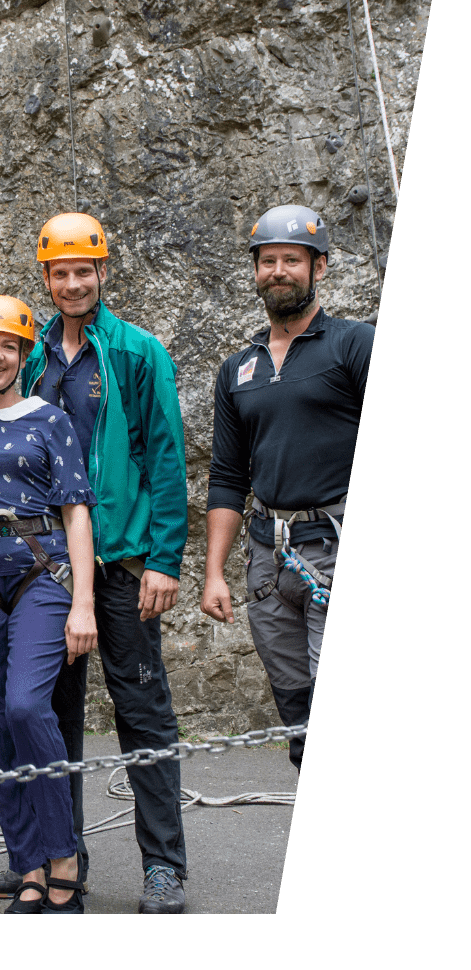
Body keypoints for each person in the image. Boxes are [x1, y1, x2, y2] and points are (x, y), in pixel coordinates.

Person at [0, 212, 190, 914]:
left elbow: (166, 457)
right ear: (45, 277)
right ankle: (59, 857)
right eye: (60, 271)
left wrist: (164, 558)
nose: (73, 281)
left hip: (122, 560)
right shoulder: (30, 355)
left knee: (143, 712)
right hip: (47, 564)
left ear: (103, 272)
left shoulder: (138, 352)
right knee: (53, 714)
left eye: (85, 270)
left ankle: (164, 866)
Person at [0, 296, 98, 914]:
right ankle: (26, 865)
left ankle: (63, 858)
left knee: (27, 706)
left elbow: (76, 511)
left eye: (9, 345)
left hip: (43, 571)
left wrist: (82, 600)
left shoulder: (50, 419)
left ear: (25, 353)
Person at [201, 204, 373, 771]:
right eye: (268, 260)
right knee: (299, 723)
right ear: (255, 271)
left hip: (337, 545)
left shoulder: (353, 345)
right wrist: (214, 574)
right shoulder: (238, 369)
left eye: (292, 260)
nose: (279, 271)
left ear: (319, 267)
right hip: (269, 561)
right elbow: (227, 476)